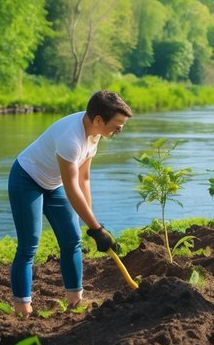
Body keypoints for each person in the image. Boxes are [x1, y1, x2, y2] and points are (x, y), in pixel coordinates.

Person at [9, 90, 132, 317]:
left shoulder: (94, 134)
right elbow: (71, 187)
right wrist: (97, 229)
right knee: (29, 245)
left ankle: (75, 301)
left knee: (72, 240)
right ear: (98, 120)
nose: (120, 129)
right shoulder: (71, 139)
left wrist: (92, 223)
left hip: (53, 184)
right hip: (27, 179)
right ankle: (22, 309)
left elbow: (83, 177)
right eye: (117, 124)